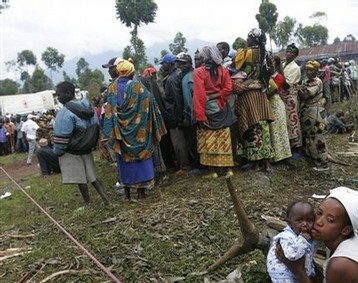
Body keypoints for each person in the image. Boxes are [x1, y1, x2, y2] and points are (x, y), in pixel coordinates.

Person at [102, 60, 167, 200]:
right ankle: (141, 193)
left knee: (124, 162)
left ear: (118, 72)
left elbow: (109, 111)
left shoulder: (112, 88)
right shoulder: (139, 87)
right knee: (140, 162)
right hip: (139, 133)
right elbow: (150, 104)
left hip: (121, 133)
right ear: (132, 73)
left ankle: (127, 194)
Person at [276, 186, 358, 282]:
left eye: (330, 220)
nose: (319, 222)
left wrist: (298, 271)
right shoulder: (336, 242)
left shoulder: (340, 264)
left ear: (346, 230)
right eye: (319, 213)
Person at [53, 81, 110, 206]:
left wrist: (57, 151)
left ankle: (88, 203)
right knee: (93, 176)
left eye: (59, 95)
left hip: (73, 149)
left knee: (81, 179)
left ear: (68, 93)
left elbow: (61, 135)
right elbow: (96, 125)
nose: (58, 98)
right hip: (87, 146)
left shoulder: (65, 112)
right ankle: (106, 199)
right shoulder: (87, 106)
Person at [231, 28, 274, 171]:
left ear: (253, 39)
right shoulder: (266, 53)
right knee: (264, 127)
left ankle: (255, 163)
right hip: (261, 93)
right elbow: (270, 71)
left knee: (252, 127)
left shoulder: (248, 53)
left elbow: (242, 69)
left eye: (248, 37)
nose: (246, 40)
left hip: (249, 93)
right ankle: (266, 163)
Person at [193, 45, 236, 178]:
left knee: (207, 139)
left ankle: (213, 172)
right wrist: (217, 95)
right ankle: (228, 169)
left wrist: (200, 116)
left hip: (207, 110)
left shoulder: (199, 72)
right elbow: (228, 89)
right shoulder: (223, 70)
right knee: (224, 138)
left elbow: (199, 96)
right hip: (221, 108)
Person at [267, 201, 318, 282]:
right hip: (283, 276)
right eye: (299, 220)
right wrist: (303, 240)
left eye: (309, 220)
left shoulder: (305, 236)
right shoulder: (286, 237)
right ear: (289, 223)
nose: (305, 224)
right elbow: (292, 255)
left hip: (294, 274)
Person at [160, 53, 190, 174]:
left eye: (164, 64)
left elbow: (177, 99)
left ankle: (184, 166)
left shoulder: (172, 79)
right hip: (177, 113)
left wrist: (178, 116)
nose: (162, 66)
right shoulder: (176, 75)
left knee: (178, 142)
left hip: (174, 114)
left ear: (170, 64)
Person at [298, 60, 329, 172]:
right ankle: (316, 160)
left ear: (316, 71)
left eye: (311, 70)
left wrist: (298, 89)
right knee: (310, 137)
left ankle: (323, 163)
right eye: (308, 70)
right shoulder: (306, 80)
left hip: (316, 114)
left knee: (318, 137)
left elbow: (305, 95)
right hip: (308, 113)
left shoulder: (317, 82)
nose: (309, 72)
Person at [175, 52, 200, 171]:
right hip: (199, 112)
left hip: (193, 115)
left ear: (189, 64)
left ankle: (197, 165)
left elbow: (188, 101)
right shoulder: (195, 74)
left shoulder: (186, 79)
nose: (180, 66)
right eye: (179, 64)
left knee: (193, 141)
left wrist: (188, 116)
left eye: (183, 64)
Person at [267, 55, 292, 163]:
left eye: (272, 62)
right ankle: (277, 156)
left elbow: (272, 90)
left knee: (278, 130)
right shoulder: (269, 75)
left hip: (275, 103)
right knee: (273, 130)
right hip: (271, 103)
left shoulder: (279, 77)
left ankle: (280, 156)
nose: (270, 64)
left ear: (276, 64)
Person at [282, 43, 303, 154]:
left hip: (290, 96)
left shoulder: (295, 68)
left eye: (291, 53)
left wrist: (278, 73)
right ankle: (290, 146)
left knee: (293, 121)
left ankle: (297, 147)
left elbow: (286, 85)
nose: (288, 54)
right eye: (287, 52)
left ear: (295, 55)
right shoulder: (284, 64)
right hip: (283, 96)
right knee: (286, 121)